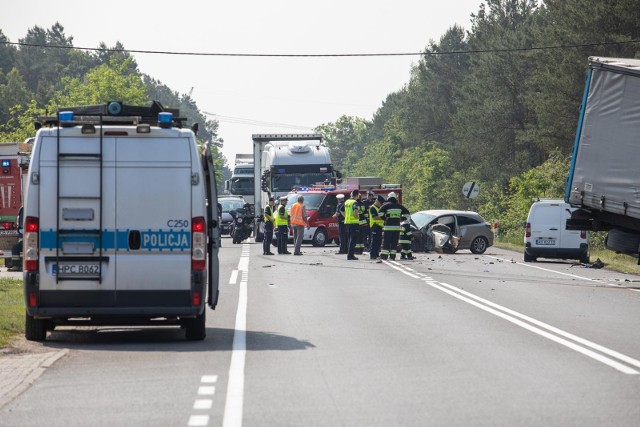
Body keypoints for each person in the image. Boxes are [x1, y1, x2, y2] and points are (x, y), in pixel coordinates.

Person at [378, 192, 410, 261]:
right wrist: (401, 219)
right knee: (394, 243)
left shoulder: (386, 206)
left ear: (389, 198)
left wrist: (385, 218)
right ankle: (392, 256)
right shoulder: (400, 206)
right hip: (397, 228)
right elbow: (407, 214)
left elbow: (380, 213)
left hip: (388, 228)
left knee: (386, 242)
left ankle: (384, 256)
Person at [344, 189, 361, 260]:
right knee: (353, 240)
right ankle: (350, 255)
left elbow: (342, 210)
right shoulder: (355, 202)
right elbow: (355, 211)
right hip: (354, 223)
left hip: (347, 223)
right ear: (357, 195)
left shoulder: (347, 202)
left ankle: (349, 254)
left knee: (349, 239)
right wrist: (357, 217)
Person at [369, 194, 385, 260]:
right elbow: (374, 217)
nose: (381, 204)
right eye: (380, 203)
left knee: (378, 241)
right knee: (374, 241)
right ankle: (372, 255)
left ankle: (376, 254)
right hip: (375, 226)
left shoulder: (379, 208)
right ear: (377, 201)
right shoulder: (373, 208)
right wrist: (383, 218)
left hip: (379, 227)